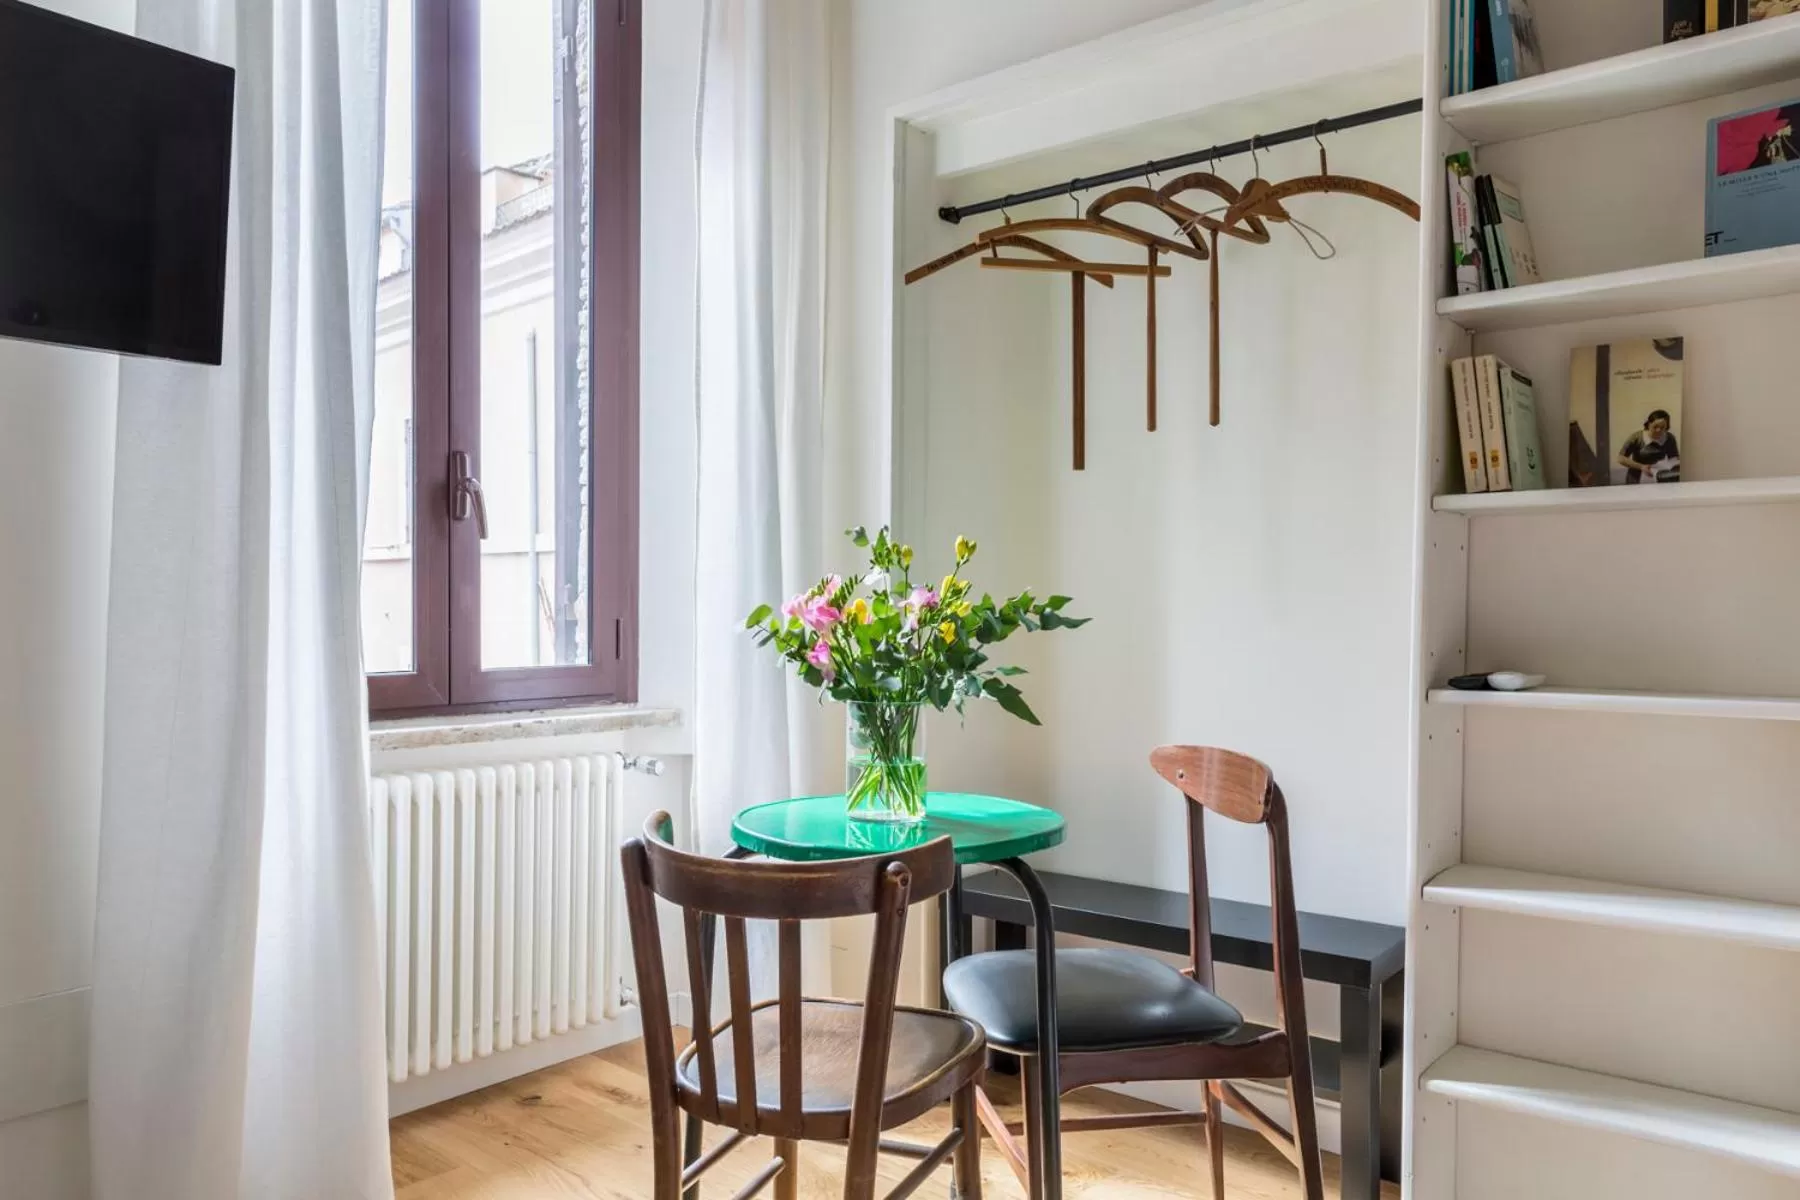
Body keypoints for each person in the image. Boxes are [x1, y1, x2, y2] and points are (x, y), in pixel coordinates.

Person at [1618, 409, 1679, 484]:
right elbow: (1621, 458)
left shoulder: (1669, 438)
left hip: (1660, 477)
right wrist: (1641, 467)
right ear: (1648, 424)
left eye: (1662, 427)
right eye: (1655, 427)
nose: (1658, 430)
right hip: (1637, 477)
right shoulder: (1637, 437)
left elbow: (1673, 458)